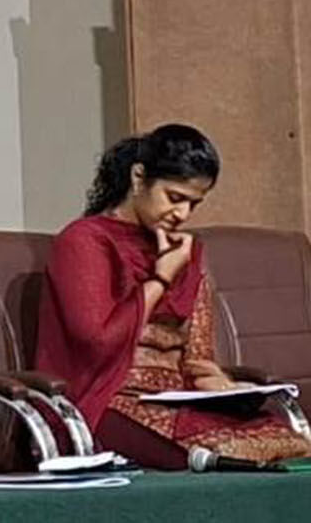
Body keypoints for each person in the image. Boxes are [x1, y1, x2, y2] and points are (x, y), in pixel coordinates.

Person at [35, 124, 311, 469]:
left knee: (291, 443)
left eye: (194, 204)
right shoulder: (84, 242)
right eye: (175, 198)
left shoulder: (184, 250)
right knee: (227, 453)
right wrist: (161, 277)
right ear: (139, 178)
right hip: (106, 401)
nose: (183, 215)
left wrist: (219, 384)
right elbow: (97, 341)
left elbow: (197, 357)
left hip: (178, 401)